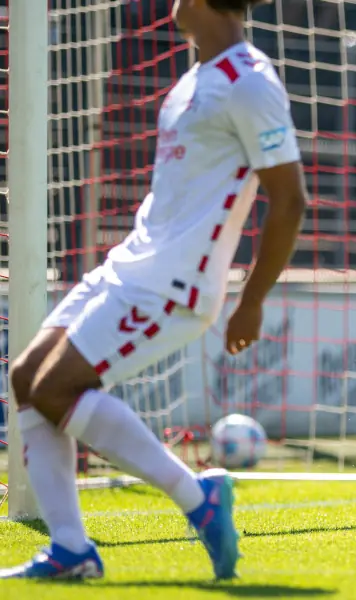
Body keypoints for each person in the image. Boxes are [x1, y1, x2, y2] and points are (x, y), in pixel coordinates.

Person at [1, 0, 308, 580]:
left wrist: (253, 299)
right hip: (130, 267)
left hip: (175, 284)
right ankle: (69, 549)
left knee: (59, 387)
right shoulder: (196, 79)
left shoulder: (249, 82)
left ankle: (197, 498)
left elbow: (289, 200)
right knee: (26, 378)